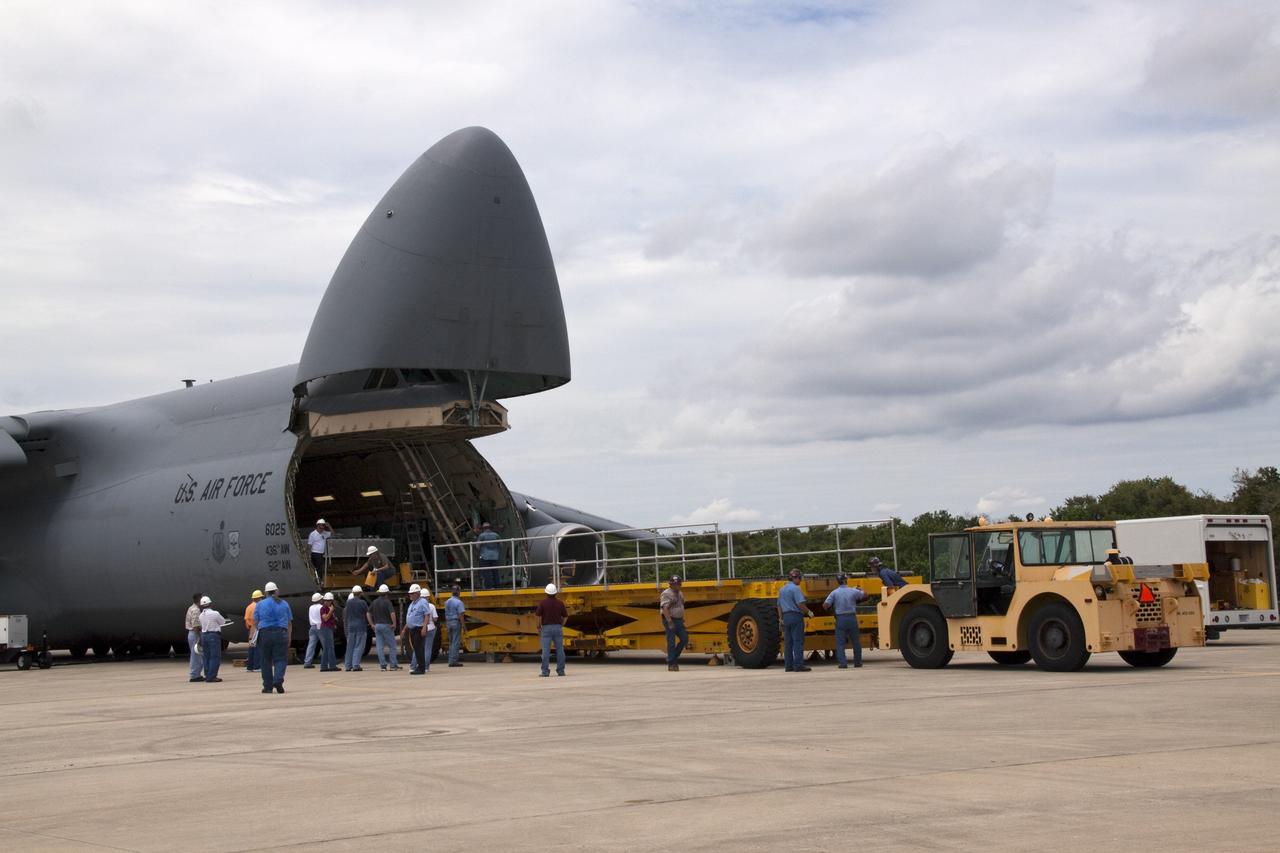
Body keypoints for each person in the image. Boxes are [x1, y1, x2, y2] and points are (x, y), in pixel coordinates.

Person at [253, 581, 293, 694]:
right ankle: (278, 680)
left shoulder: (260, 604)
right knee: (280, 659)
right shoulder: (284, 603)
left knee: (265, 661)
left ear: (265, 592)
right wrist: (289, 637)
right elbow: (289, 622)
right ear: (276, 591)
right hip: (281, 633)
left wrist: (259, 630)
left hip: (265, 633)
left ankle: (268, 687)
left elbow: (256, 621)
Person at [823, 574, 868, 669]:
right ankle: (857, 662)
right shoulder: (853, 591)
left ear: (838, 581)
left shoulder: (834, 593)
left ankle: (843, 663)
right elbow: (865, 595)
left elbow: (825, 605)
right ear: (846, 580)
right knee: (856, 641)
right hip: (852, 617)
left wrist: (832, 608)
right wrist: (860, 589)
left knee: (840, 642)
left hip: (840, 618)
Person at [777, 569, 813, 672]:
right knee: (798, 641)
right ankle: (798, 665)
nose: (800, 581)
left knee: (788, 643)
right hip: (796, 617)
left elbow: (779, 606)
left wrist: (780, 619)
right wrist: (809, 612)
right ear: (796, 578)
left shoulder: (782, 589)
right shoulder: (796, 589)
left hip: (786, 617)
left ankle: (788, 666)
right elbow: (800, 604)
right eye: (800, 578)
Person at [535, 583, 568, 677]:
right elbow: (565, 617)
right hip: (557, 628)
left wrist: (538, 627)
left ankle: (545, 672)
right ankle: (561, 671)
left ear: (546, 593)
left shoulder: (542, 603)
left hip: (546, 628)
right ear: (555, 593)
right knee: (560, 650)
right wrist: (561, 625)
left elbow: (537, 616)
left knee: (545, 651)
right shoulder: (560, 603)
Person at [198, 596, 230, 682]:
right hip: (213, 635)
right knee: (215, 656)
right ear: (210, 604)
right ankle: (211, 676)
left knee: (206, 656)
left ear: (201, 605)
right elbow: (222, 621)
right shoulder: (215, 613)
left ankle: (207, 674)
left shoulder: (201, 615)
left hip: (204, 635)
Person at [368, 583, 400, 670]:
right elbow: (392, 613)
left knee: (380, 647)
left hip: (377, 626)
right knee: (392, 646)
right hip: (386, 625)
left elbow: (368, 613)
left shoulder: (374, 602)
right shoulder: (387, 602)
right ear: (386, 593)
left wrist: (371, 624)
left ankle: (383, 665)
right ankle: (393, 665)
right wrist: (394, 623)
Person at [660, 575, 688, 671]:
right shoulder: (666, 594)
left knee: (685, 638)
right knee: (671, 642)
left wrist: (682, 619)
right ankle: (672, 664)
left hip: (679, 620)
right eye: (675, 584)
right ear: (670, 584)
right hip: (670, 619)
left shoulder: (680, 593)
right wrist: (669, 621)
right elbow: (665, 608)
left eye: (678, 584)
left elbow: (681, 606)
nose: (677, 586)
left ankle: (672, 657)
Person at [403, 583, 430, 675]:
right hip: (413, 629)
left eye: (412, 593)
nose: (410, 595)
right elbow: (410, 617)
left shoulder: (423, 602)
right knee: (417, 648)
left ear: (418, 593)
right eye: (410, 593)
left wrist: (424, 627)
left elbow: (427, 615)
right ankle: (420, 666)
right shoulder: (412, 604)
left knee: (419, 649)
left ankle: (421, 668)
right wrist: (404, 629)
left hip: (419, 628)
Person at [344, 585, 368, 672]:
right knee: (359, 646)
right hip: (360, 627)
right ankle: (356, 665)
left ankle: (347, 666)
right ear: (360, 593)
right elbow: (367, 613)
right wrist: (371, 623)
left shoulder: (348, 603)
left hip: (351, 627)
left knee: (350, 647)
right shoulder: (363, 603)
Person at [445, 584, 466, 667]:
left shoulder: (447, 602)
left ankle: (450, 660)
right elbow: (461, 615)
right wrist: (463, 625)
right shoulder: (459, 602)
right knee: (455, 642)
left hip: (448, 622)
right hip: (455, 622)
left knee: (451, 642)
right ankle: (454, 661)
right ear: (458, 592)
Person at [185, 593, 205, 682]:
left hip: (192, 633)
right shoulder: (196, 610)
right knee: (196, 655)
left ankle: (196, 674)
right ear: (199, 600)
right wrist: (199, 638)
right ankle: (194, 675)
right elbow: (196, 625)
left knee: (195, 654)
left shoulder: (191, 608)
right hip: (195, 633)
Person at [318, 592, 340, 671]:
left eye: (329, 601)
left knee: (328, 648)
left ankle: (325, 666)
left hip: (329, 628)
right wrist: (331, 611)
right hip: (325, 629)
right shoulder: (323, 608)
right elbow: (325, 618)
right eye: (326, 600)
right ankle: (331, 666)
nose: (327, 602)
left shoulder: (330, 608)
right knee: (329, 647)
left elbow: (331, 618)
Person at [476, 522, 501, 589]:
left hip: (485, 557)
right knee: (495, 572)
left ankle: (489, 587)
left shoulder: (482, 536)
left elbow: (477, 546)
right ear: (490, 528)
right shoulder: (496, 535)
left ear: (483, 528)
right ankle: (497, 586)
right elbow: (500, 545)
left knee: (486, 573)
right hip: (495, 557)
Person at [244, 589, 263, 672]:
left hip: (251, 629)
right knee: (257, 648)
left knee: (251, 648)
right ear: (258, 598)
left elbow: (246, 619)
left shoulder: (249, 606)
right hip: (257, 629)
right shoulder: (258, 606)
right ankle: (257, 666)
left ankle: (250, 667)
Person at [303, 592, 323, 667]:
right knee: (326, 644)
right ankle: (327, 660)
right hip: (320, 626)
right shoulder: (321, 607)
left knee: (311, 645)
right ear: (319, 600)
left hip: (312, 627)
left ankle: (307, 662)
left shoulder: (310, 607)